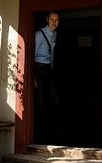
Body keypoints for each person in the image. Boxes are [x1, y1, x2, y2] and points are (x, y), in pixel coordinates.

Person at [34, 12, 61, 144]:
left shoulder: (54, 34)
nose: (54, 22)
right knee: (41, 102)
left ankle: (55, 135)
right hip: (38, 69)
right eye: (52, 19)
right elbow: (32, 55)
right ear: (47, 20)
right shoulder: (39, 34)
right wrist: (32, 76)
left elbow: (52, 52)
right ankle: (43, 136)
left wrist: (52, 67)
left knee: (55, 101)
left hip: (48, 70)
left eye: (56, 20)